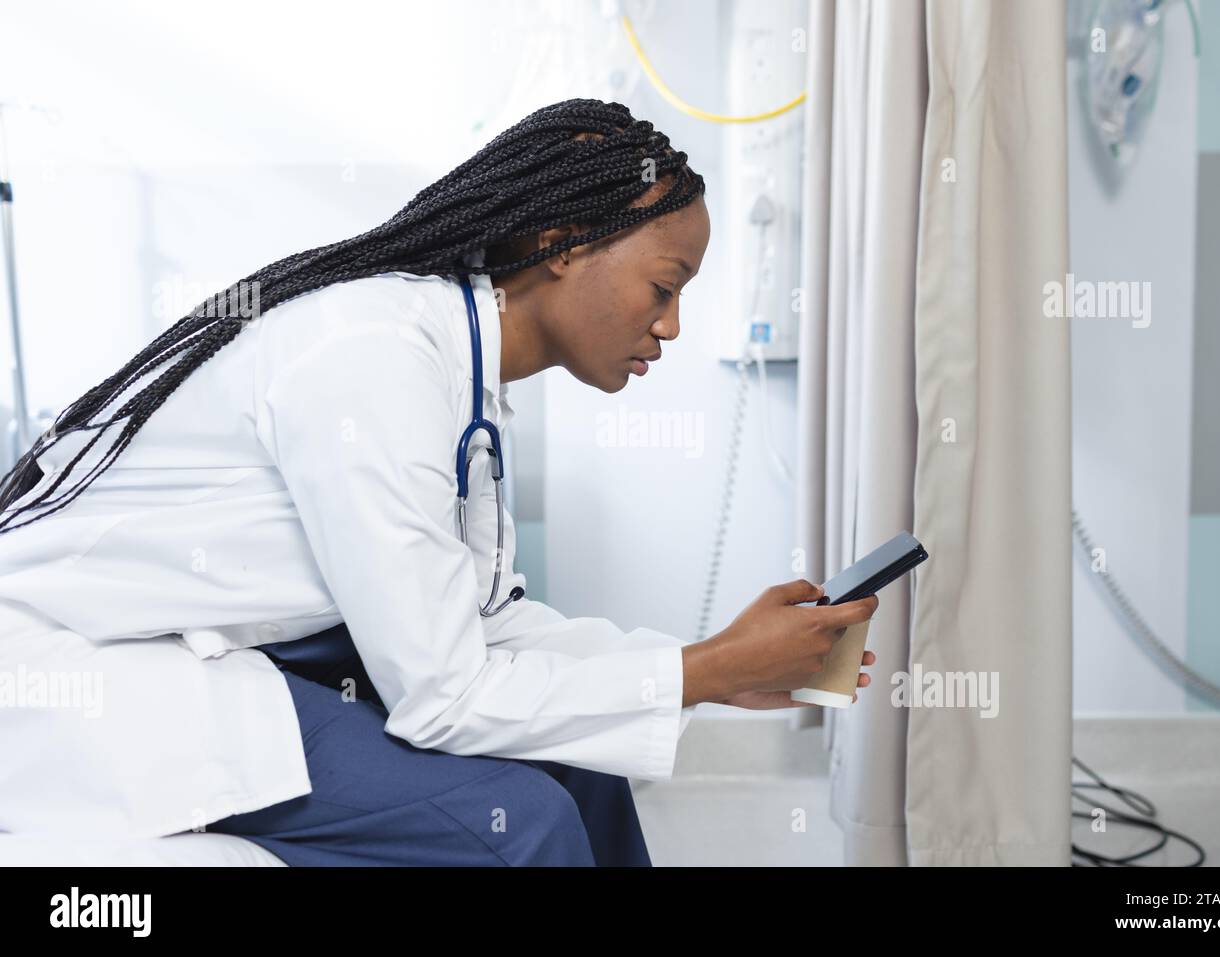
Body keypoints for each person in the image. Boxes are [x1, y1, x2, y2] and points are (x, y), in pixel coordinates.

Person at [0, 98, 878, 866]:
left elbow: (484, 624)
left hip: (233, 651)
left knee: (588, 770)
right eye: (664, 284)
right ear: (559, 244)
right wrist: (700, 671)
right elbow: (443, 694)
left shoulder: (458, 369)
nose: (673, 324)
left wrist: (712, 666)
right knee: (520, 826)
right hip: (91, 671)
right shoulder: (372, 355)